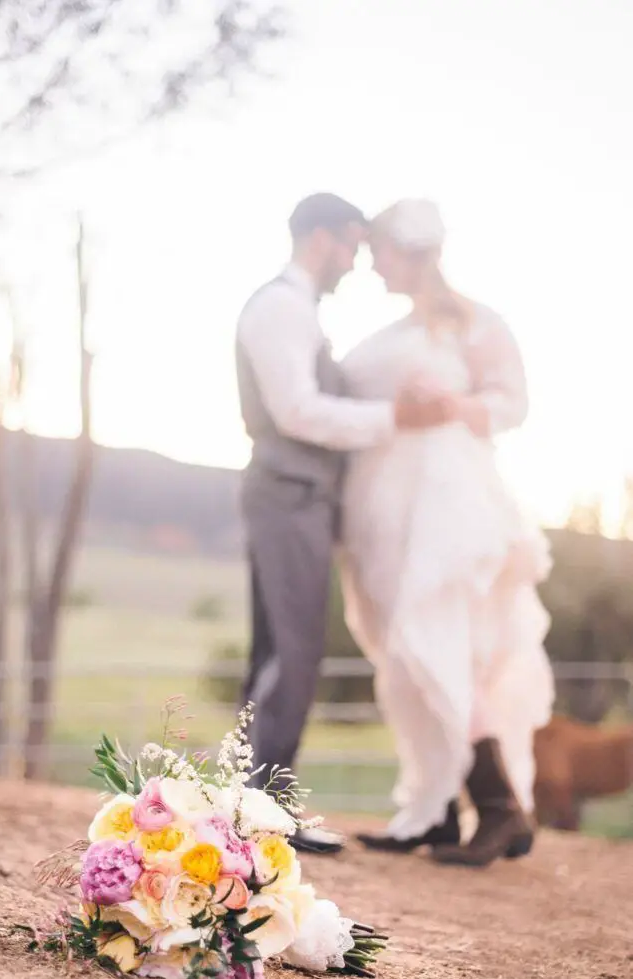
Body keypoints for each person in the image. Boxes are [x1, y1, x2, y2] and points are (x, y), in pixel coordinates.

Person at [340, 198, 554, 867]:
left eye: (380, 252)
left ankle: (496, 805)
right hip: (385, 511)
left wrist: (453, 406)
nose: (374, 265)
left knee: (444, 644)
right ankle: (433, 809)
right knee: (406, 660)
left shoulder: (475, 323)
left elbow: (513, 402)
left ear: (409, 251)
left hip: (447, 508)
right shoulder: (390, 331)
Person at [235, 193, 418, 854]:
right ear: (320, 238)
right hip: (288, 493)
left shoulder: (296, 310)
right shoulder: (280, 308)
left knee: (275, 652)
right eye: (349, 244)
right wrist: (395, 418)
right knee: (295, 650)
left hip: (294, 495)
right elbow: (297, 412)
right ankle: (264, 809)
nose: (353, 261)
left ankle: (250, 805)